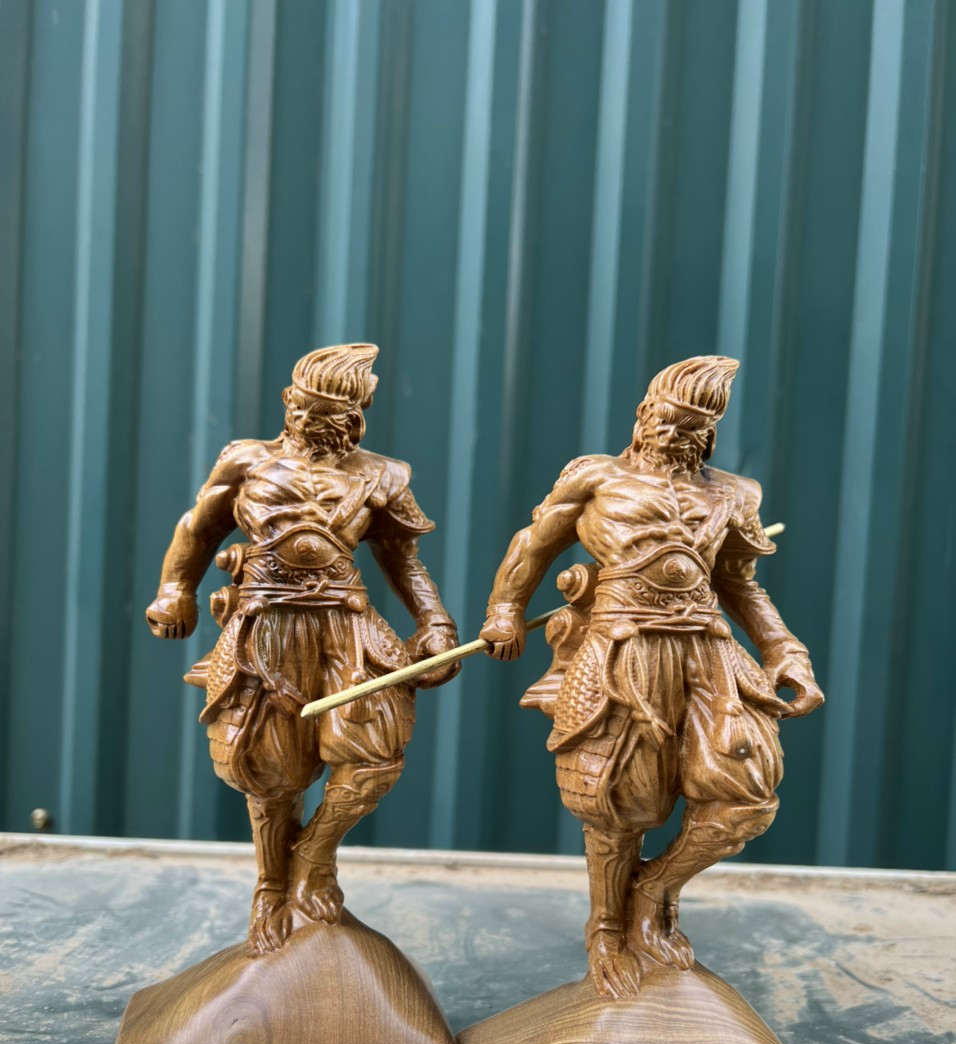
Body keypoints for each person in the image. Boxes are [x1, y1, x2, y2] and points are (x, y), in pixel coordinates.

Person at [480, 355, 823, 998]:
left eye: (691, 427)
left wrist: (785, 649)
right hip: (624, 647)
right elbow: (533, 545)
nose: (674, 434)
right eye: (665, 419)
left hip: (709, 651)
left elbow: (741, 585)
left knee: (747, 796)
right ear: (643, 415)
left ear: (709, 434)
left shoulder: (734, 494)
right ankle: (607, 931)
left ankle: (655, 889)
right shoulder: (596, 476)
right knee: (618, 802)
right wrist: (504, 610)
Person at [146, 343, 459, 955]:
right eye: (306, 407)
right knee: (271, 768)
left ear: (356, 417)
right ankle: (270, 887)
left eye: (331, 412)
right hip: (267, 623)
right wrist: (174, 590)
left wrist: (436, 621)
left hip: (347, 625)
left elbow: (402, 558)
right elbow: (198, 528)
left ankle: (314, 856)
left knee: (375, 755)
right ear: (289, 401)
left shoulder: (382, 475)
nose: (314, 420)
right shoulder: (247, 461)